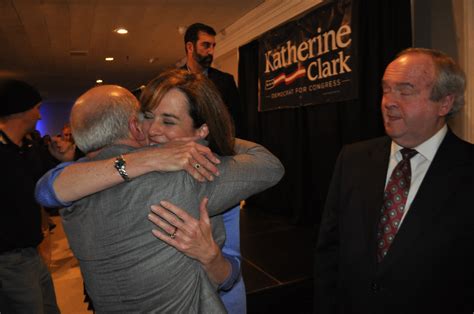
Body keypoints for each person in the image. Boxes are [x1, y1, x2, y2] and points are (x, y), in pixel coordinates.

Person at [36, 70, 284, 312]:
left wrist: (211, 258)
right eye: (147, 115)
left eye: (168, 121)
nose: (152, 130)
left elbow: (49, 188)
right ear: (134, 123)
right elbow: (269, 164)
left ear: (200, 129)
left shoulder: (199, 170)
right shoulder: (177, 178)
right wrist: (156, 156)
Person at [314, 48, 474, 314]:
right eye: (386, 89)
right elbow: (329, 251)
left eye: (405, 90)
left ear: (444, 103)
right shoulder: (352, 158)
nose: (388, 101)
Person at [0, 79, 60, 313]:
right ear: (20, 111)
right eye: (36, 108)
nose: (39, 116)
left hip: (31, 251)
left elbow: (44, 184)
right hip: (9, 259)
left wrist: (57, 158)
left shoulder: (26, 148)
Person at [183, 22, 242, 136]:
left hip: (218, 151)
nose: (211, 51)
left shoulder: (226, 81)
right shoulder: (173, 82)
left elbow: (237, 123)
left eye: (213, 45)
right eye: (206, 45)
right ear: (190, 47)